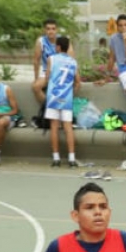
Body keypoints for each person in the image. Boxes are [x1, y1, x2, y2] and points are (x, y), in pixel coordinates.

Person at [44, 36, 83, 168]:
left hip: (53, 97)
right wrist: (72, 92)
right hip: (66, 98)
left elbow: (47, 77)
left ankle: (56, 158)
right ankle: (72, 158)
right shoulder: (73, 62)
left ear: (58, 47)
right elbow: (78, 82)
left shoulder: (51, 59)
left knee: (54, 127)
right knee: (68, 127)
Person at [31, 18, 61, 105]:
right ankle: (48, 107)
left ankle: (60, 105)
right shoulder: (41, 41)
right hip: (46, 71)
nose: (50, 31)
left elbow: (71, 59)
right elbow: (36, 60)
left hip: (60, 71)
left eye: (53, 29)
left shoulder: (62, 40)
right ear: (44, 30)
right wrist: (36, 78)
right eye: (48, 29)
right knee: (36, 87)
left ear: (57, 30)